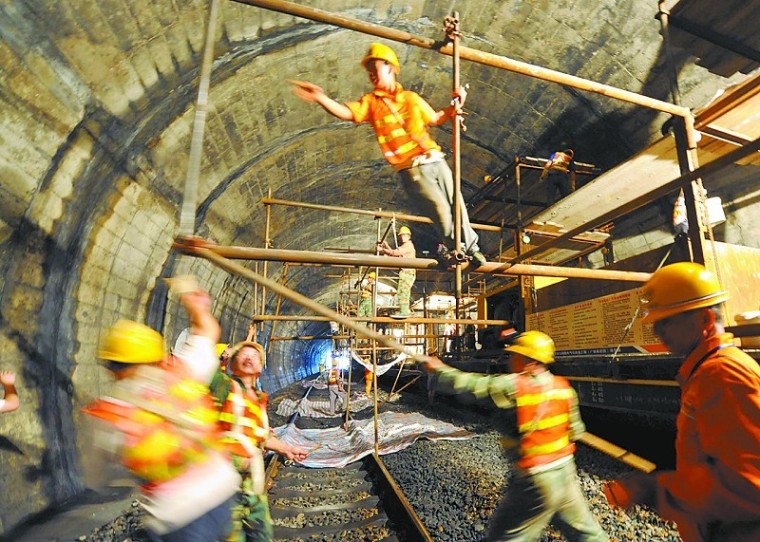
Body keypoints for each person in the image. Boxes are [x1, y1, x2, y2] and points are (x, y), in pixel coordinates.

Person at [291, 42, 487, 268]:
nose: (372, 76)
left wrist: (455, 106)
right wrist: (321, 98)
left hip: (435, 158)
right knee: (441, 213)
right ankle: (459, 250)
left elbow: (434, 118)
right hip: (412, 168)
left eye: (376, 70)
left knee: (457, 205)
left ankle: (473, 248)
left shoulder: (411, 99)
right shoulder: (372, 103)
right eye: (370, 72)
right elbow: (348, 113)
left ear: (391, 67)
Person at [603, 262, 760, 542]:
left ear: (705, 320)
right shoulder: (706, 372)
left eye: (667, 320)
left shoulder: (722, 375)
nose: (657, 331)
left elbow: (748, 485)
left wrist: (652, 489)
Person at [83, 279, 241, 542]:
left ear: (111, 367)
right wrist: (192, 299)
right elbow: (208, 331)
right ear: (157, 355)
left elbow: (95, 476)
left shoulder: (109, 414)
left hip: (175, 514)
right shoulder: (182, 373)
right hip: (221, 490)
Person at [423, 331, 609, 541]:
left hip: (536, 480)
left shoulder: (515, 386)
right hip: (565, 474)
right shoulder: (563, 388)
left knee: (507, 537)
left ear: (528, 361)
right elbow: (576, 431)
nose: (510, 360)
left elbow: (471, 384)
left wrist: (439, 370)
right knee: (588, 535)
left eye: (515, 356)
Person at [210, 340, 308, 542]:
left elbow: (261, 436)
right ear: (231, 363)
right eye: (242, 355)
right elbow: (206, 374)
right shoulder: (225, 386)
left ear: (261, 367)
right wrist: (218, 358)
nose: (248, 358)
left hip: (252, 484)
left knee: (261, 534)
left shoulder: (260, 398)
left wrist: (286, 448)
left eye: (254, 356)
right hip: (224, 483)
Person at [377, 225, 416, 317]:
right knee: (403, 292)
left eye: (404, 235)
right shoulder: (405, 246)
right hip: (406, 273)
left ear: (408, 236)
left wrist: (382, 250)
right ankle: (405, 310)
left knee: (403, 292)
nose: (402, 237)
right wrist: (386, 246)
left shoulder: (408, 245)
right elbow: (396, 254)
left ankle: (404, 312)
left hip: (407, 272)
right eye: (401, 236)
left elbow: (395, 253)